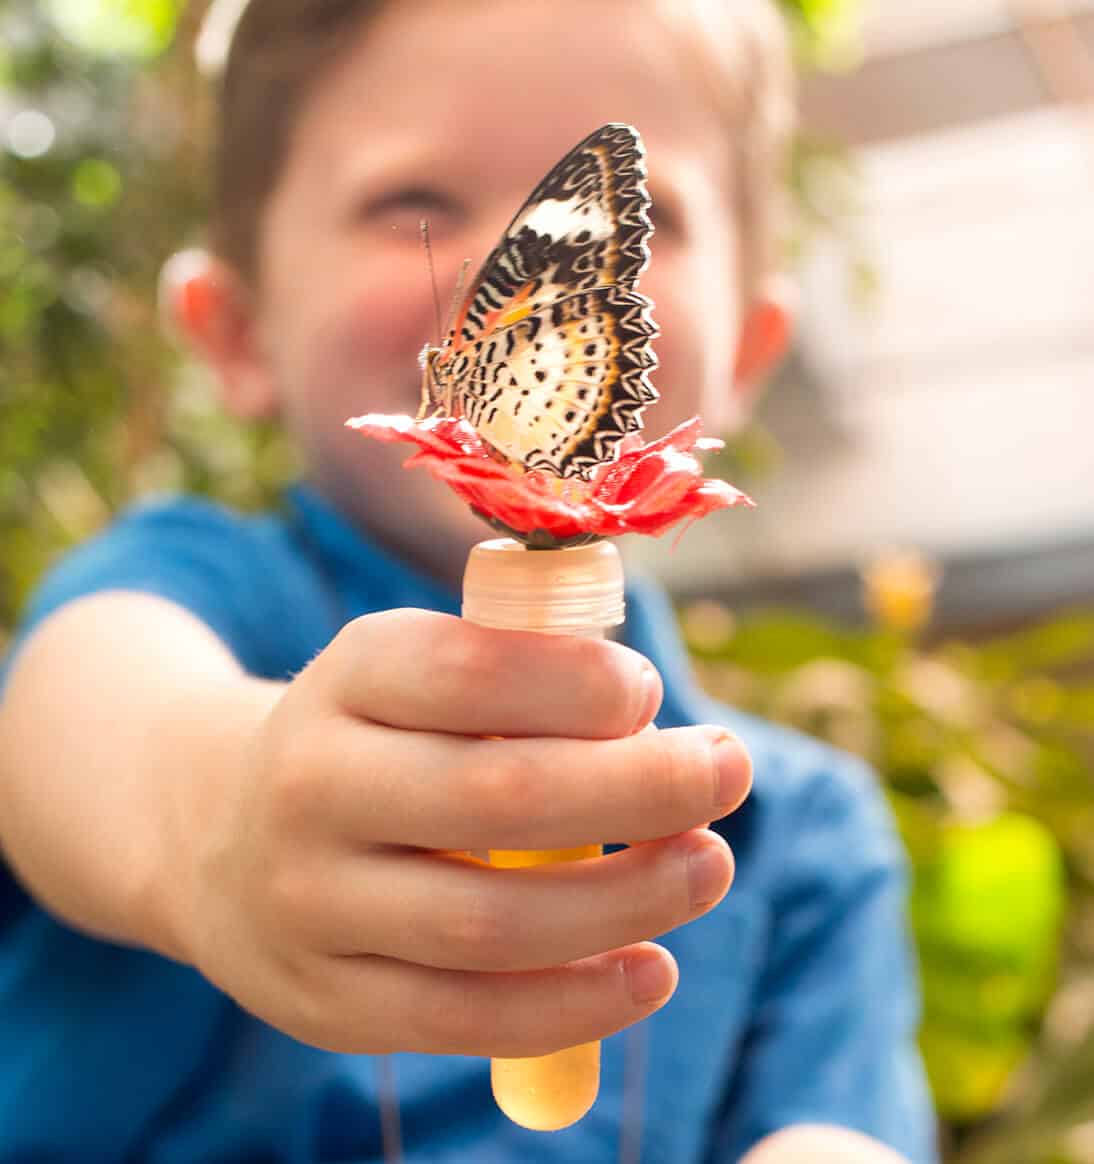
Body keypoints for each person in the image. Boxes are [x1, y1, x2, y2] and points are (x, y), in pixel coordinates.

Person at [0, 1, 937, 1160]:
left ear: (745, 350)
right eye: (414, 205)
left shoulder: (801, 835)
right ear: (238, 333)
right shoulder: (197, 588)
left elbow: (831, 1128)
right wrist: (209, 814)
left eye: (629, 237)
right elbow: (82, 711)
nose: (512, 271)